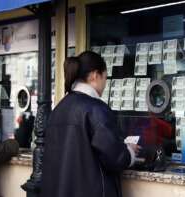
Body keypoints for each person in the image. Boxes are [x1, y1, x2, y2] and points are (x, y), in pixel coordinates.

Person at [41, 51, 140, 197]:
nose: (105, 85)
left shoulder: (58, 109)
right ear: (95, 75)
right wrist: (129, 151)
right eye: (105, 78)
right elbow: (114, 157)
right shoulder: (95, 109)